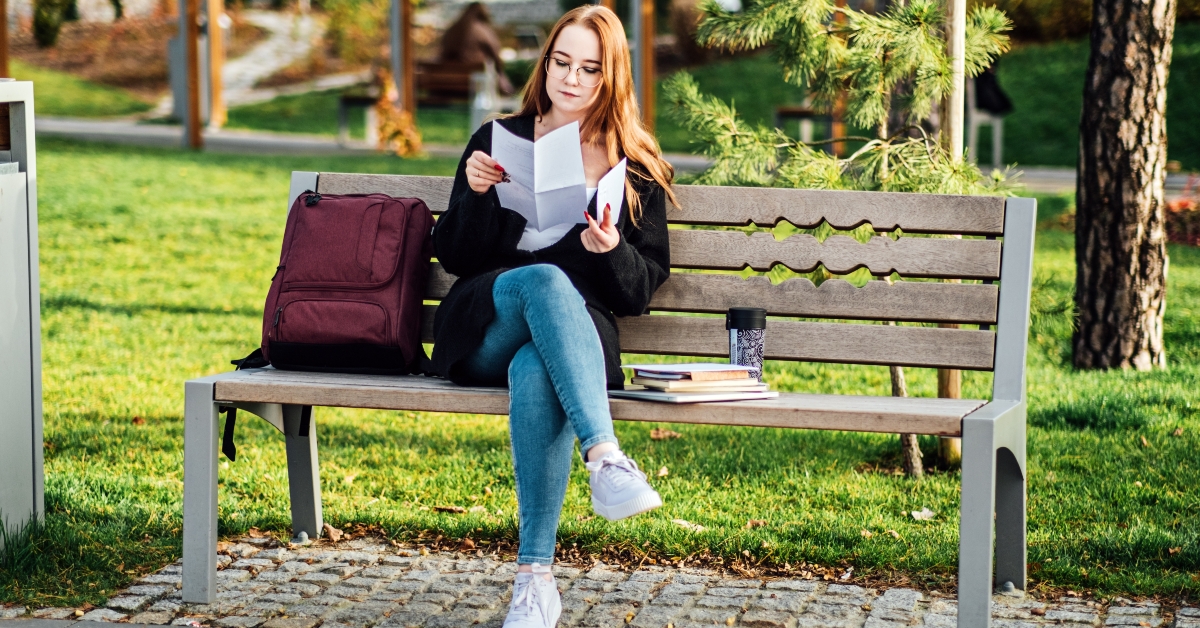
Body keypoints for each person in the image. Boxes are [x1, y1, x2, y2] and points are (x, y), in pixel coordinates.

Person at [428, 5, 679, 627]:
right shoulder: (498, 138)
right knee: (542, 277)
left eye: (589, 69)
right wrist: (478, 191)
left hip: (573, 344)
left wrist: (611, 248)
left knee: (540, 364)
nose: (571, 79)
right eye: (561, 62)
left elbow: (639, 291)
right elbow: (455, 254)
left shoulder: (634, 165)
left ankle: (534, 581)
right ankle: (604, 457)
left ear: (611, 78)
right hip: (487, 321)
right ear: (546, 64)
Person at [440, 2, 514, 95]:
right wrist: (500, 69)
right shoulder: (481, 30)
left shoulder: (453, 29)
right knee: (498, 75)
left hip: (447, 80)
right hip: (474, 79)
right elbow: (495, 52)